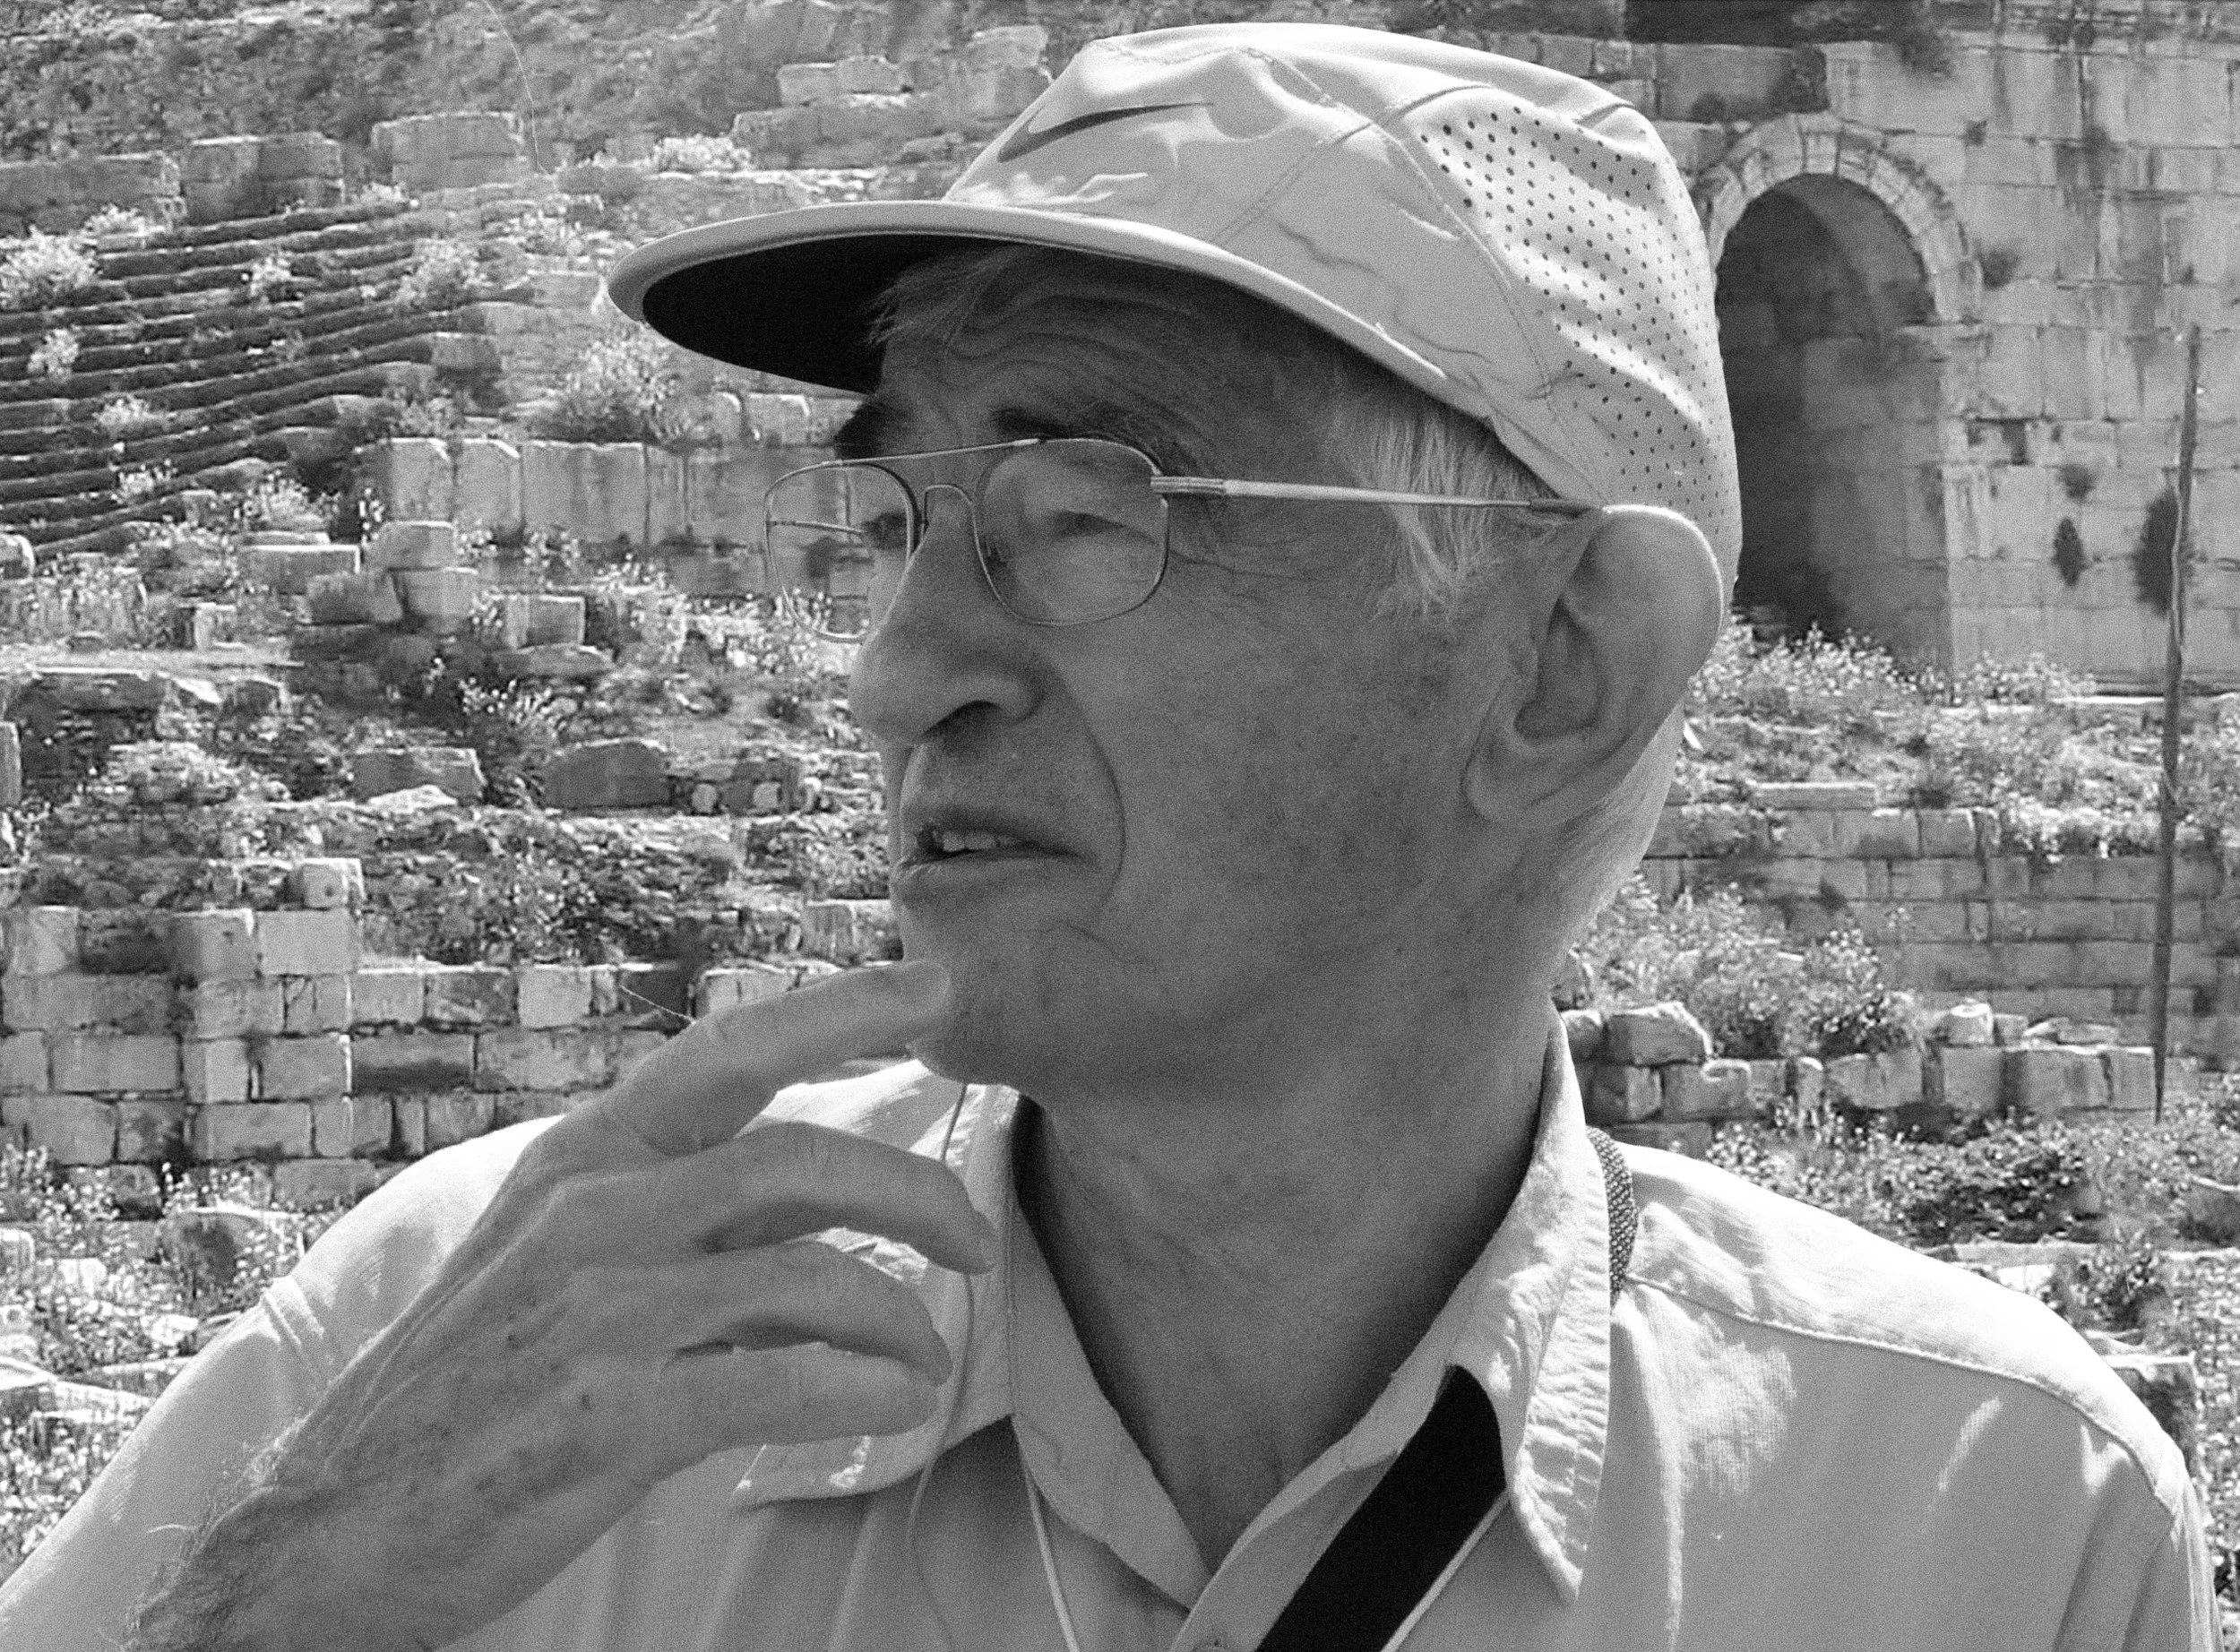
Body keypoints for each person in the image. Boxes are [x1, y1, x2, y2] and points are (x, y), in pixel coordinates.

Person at [0, 23, 2215, 1652]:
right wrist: (293, 1595)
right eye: (901, 518)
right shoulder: (450, 1355)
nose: (897, 670)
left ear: (1561, 661)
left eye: (1084, 515)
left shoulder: (1991, 1532)